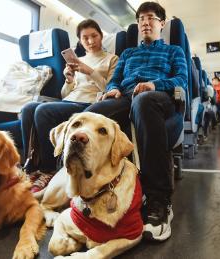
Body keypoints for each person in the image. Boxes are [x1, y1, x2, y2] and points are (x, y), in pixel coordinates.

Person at [84, 1, 187, 241]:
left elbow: (181, 79)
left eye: (150, 18)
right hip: (127, 96)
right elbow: (115, 80)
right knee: (90, 114)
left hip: (158, 97)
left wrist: (155, 84)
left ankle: (159, 201)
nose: (145, 22)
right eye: (141, 19)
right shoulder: (128, 53)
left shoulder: (174, 51)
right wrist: (112, 89)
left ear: (161, 23)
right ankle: (88, 190)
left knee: (144, 101)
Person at [21, 19, 119, 194]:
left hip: (90, 103)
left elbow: (110, 88)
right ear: (80, 40)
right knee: (28, 108)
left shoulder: (112, 59)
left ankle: (49, 169)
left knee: (43, 110)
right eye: (85, 38)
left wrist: (89, 71)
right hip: (71, 100)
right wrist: (69, 79)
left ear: (101, 36)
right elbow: (65, 94)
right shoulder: (77, 60)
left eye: (94, 36)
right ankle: (31, 166)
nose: (90, 41)